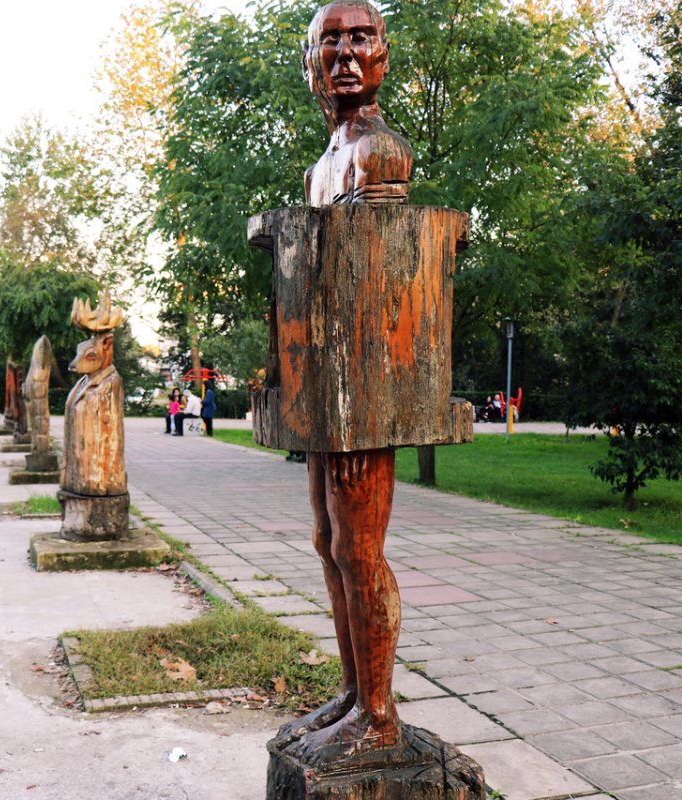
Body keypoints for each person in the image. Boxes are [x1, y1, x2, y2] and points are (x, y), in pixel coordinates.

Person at [280, 0, 408, 761]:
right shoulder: (323, 165)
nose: (345, 54)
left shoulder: (379, 156)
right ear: (310, 62)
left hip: (364, 385)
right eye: (330, 40)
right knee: (329, 542)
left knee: (360, 550)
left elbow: (378, 279)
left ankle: (382, 715)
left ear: (383, 55)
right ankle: (357, 693)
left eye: (361, 38)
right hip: (327, 385)